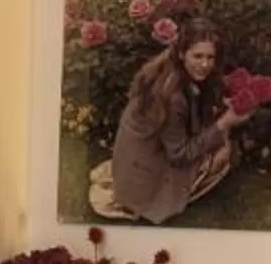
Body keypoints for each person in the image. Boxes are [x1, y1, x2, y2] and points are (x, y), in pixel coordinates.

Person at [102, 23, 250, 222]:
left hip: (134, 163)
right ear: (182, 54)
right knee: (224, 152)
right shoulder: (173, 97)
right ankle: (161, 196)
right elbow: (179, 155)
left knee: (215, 138)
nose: (205, 64)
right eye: (197, 56)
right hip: (143, 183)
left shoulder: (167, 72)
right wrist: (225, 123)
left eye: (210, 57)